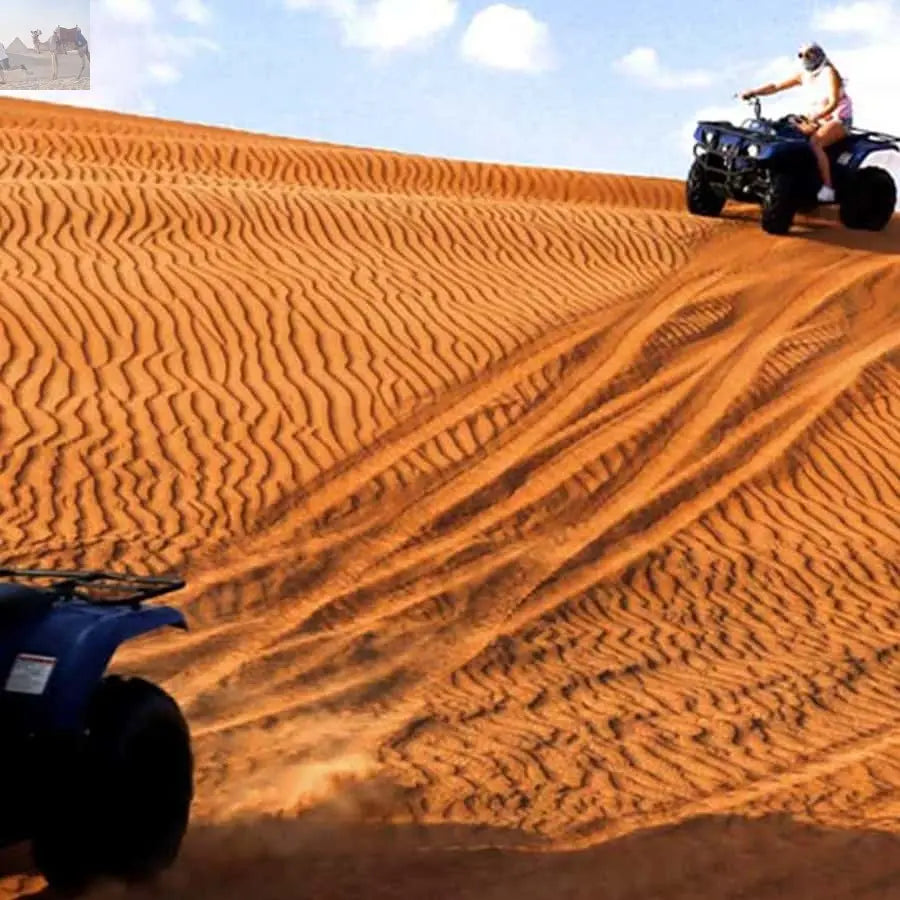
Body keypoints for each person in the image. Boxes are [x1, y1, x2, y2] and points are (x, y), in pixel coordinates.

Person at [740, 42, 853, 203]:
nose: (806, 58)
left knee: (816, 143)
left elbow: (833, 102)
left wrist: (816, 117)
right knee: (784, 133)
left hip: (837, 118)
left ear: (819, 54)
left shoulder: (829, 72)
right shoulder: (803, 75)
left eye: (810, 54)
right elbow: (776, 86)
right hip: (815, 116)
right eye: (801, 55)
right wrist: (754, 92)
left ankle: (828, 188)